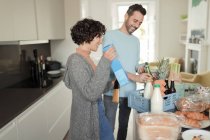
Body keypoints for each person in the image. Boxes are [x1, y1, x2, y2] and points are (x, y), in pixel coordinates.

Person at [102, 4, 151, 140]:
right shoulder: (109, 36)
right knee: (108, 127)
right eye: (135, 20)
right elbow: (113, 65)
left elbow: (134, 64)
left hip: (129, 92)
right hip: (112, 90)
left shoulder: (136, 41)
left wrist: (140, 67)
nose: (137, 25)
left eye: (140, 23)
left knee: (123, 127)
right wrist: (135, 77)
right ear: (126, 16)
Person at [63, 18, 116, 140]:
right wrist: (105, 60)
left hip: (98, 110)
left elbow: (96, 87)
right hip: (87, 116)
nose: (101, 41)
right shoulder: (75, 60)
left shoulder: (87, 58)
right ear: (88, 35)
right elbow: (90, 93)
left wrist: (112, 83)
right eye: (98, 36)